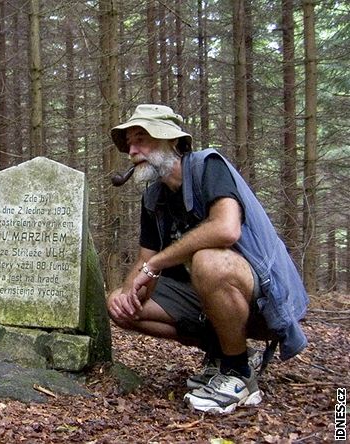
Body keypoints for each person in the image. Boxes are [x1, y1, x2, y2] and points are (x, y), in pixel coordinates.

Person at [106, 104, 309, 414]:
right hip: (210, 298)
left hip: (268, 300)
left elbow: (226, 229)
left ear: (172, 141)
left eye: (142, 139)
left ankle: (238, 374)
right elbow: (144, 260)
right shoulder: (153, 199)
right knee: (119, 303)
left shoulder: (207, 167)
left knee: (208, 261)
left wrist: (157, 264)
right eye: (129, 144)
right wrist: (127, 292)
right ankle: (222, 351)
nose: (132, 151)